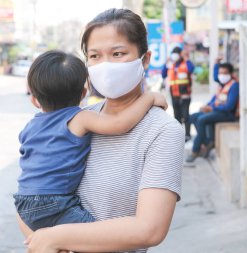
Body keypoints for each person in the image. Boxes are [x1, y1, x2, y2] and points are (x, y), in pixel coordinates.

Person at [18, 8, 184, 253]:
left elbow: (149, 229)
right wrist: (50, 241)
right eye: (94, 56)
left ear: (145, 59)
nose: (105, 65)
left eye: (118, 53)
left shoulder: (161, 130)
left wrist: (55, 238)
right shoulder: (78, 119)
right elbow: (31, 193)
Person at [14, 50, 167, 231]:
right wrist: (149, 98)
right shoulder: (79, 118)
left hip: (23, 203)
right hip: (55, 203)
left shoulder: (30, 127)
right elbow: (120, 123)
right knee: (98, 239)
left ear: (34, 100)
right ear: (83, 93)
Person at [186, 60, 239, 163]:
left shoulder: (234, 86)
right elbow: (215, 99)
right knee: (193, 117)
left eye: (224, 73)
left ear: (231, 74)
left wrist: (212, 108)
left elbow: (230, 106)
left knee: (201, 120)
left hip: (227, 114)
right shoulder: (221, 85)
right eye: (220, 73)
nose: (221, 75)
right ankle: (208, 142)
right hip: (216, 111)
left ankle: (195, 150)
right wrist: (207, 106)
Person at [162, 46, 195, 142]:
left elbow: (191, 69)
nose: (175, 56)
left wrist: (186, 58)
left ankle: (188, 134)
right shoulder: (171, 65)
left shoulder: (186, 63)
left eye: (177, 53)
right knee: (177, 116)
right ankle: (179, 135)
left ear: (181, 54)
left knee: (185, 115)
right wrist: (166, 63)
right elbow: (163, 74)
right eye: (173, 54)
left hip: (185, 95)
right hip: (174, 94)